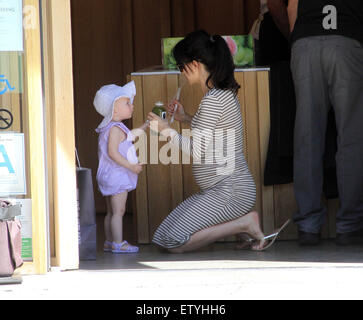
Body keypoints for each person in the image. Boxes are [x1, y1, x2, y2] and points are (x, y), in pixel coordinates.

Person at [147, 30, 288, 253]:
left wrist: (165, 130)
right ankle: (241, 228)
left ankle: (244, 224)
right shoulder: (219, 95)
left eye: (181, 66)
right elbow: (213, 135)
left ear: (194, 64)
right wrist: (184, 118)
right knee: (163, 235)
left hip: (229, 190)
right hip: (220, 189)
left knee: (174, 240)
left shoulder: (213, 99)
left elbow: (198, 150)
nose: (181, 72)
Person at [287, 0, 363, 245]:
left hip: (306, 42)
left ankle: (308, 226)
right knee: (351, 139)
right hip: (346, 40)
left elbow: (291, 8)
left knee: (307, 137)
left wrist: (298, 41)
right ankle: (349, 225)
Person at [94, 81, 148, 253]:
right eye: (127, 103)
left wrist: (146, 125)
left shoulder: (112, 127)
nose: (131, 105)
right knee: (119, 211)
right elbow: (113, 153)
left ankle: (109, 241)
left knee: (111, 211)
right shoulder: (115, 129)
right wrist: (131, 166)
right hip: (117, 175)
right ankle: (118, 243)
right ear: (114, 110)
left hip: (109, 175)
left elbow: (130, 136)